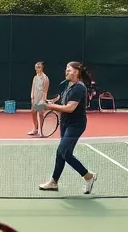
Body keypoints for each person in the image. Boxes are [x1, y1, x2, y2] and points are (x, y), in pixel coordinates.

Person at [39, 62, 98, 193]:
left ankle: (88, 176)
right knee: (62, 152)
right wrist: (52, 102)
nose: (66, 71)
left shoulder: (79, 88)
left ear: (76, 72)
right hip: (65, 122)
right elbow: (62, 99)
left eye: (69, 70)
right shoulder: (65, 84)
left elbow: (69, 108)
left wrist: (49, 107)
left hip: (76, 124)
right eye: (66, 69)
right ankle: (53, 182)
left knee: (64, 151)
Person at [28, 61, 49, 136]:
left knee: (40, 114)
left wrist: (43, 100)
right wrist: (32, 97)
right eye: (36, 67)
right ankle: (35, 129)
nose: (37, 69)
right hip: (35, 97)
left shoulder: (45, 78)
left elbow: (45, 91)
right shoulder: (35, 77)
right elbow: (33, 88)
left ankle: (41, 130)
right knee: (33, 112)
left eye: (38, 67)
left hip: (41, 98)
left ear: (41, 68)